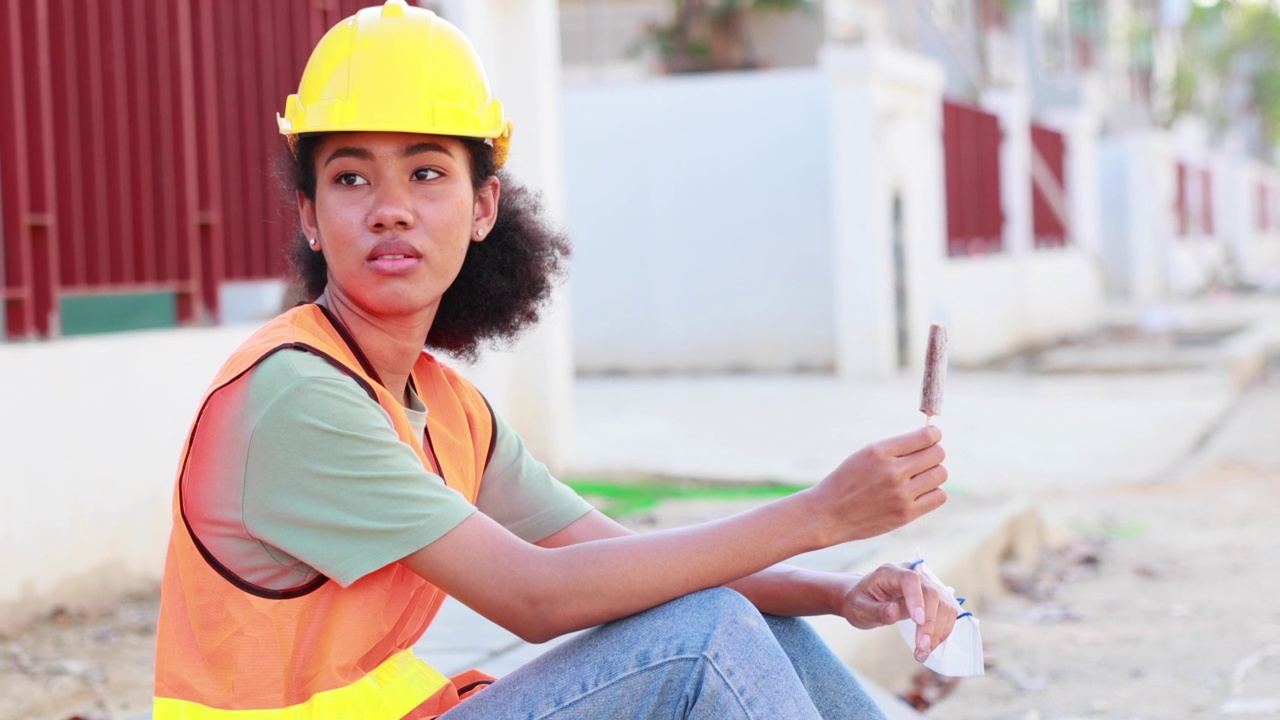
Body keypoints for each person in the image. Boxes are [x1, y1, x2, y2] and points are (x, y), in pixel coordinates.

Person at [152, 2, 956, 718]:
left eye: (426, 172)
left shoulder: (446, 408)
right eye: (351, 176)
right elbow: (536, 598)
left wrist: (840, 593)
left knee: (739, 617)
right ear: (311, 217)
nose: (390, 208)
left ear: (481, 207)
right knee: (705, 635)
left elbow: (627, 563)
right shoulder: (295, 394)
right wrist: (822, 514)